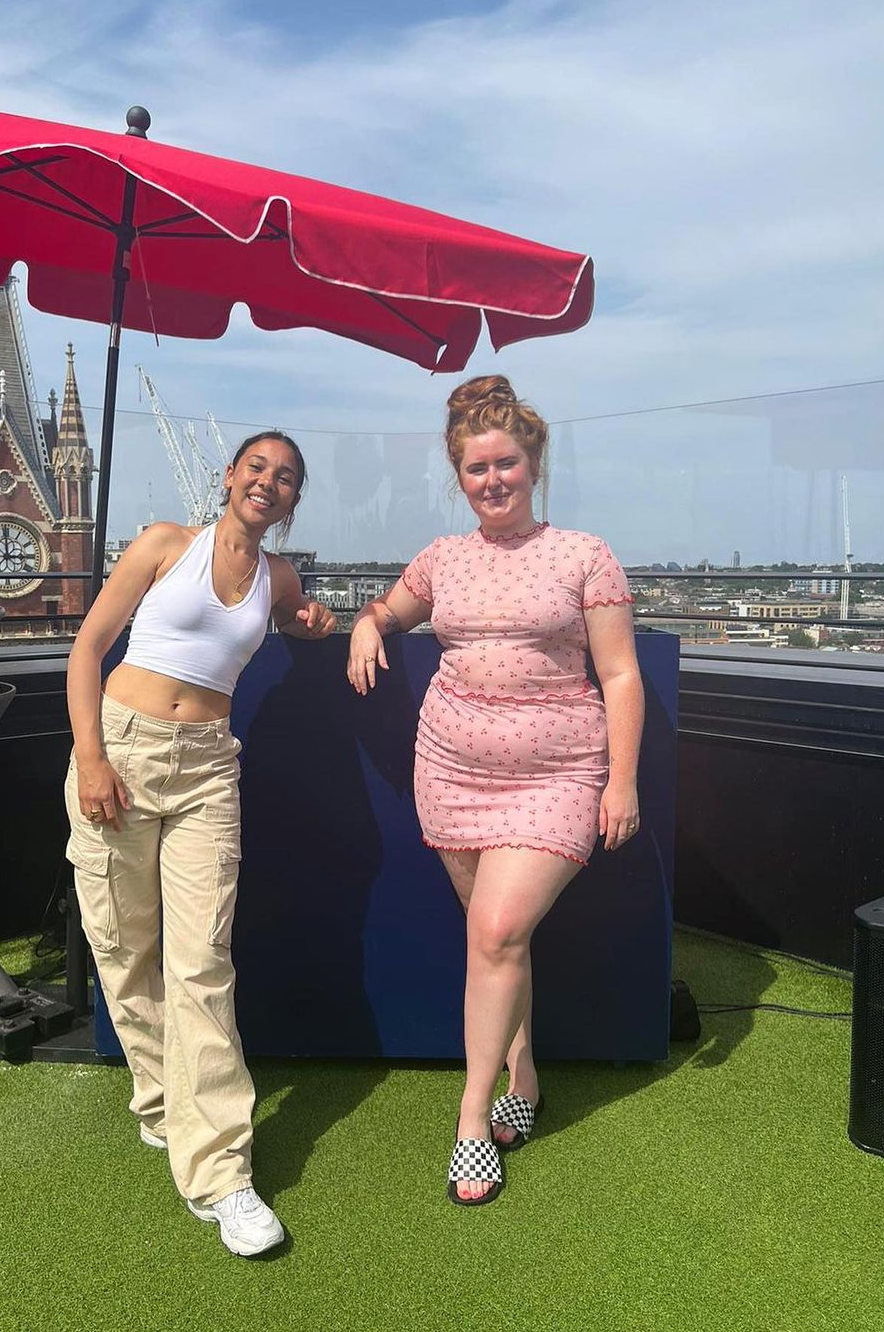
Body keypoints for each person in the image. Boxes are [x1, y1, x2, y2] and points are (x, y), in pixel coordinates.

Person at [346, 375, 643, 1206]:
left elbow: (620, 675)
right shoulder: (443, 559)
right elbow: (389, 610)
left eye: (505, 463)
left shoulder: (585, 555)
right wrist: (367, 624)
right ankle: (524, 1072)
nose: (492, 480)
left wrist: (621, 781)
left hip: (558, 774)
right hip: (451, 770)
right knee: (497, 944)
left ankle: (472, 1121)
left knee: (499, 928)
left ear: (534, 464)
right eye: (476, 468)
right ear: (459, 476)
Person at [64, 430, 335, 1256]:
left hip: (209, 768)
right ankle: (162, 1101)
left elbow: (297, 619)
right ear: (229, 476)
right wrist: (91, 759)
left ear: (293, 501)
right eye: (257, 467)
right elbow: (88, 649)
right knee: (121, 945)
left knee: (202, 964)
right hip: (122, 748)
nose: (268, 483)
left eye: (284, 478)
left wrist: (320, 624)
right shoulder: (163, 544)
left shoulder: (279, 577)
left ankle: (221, 1175)